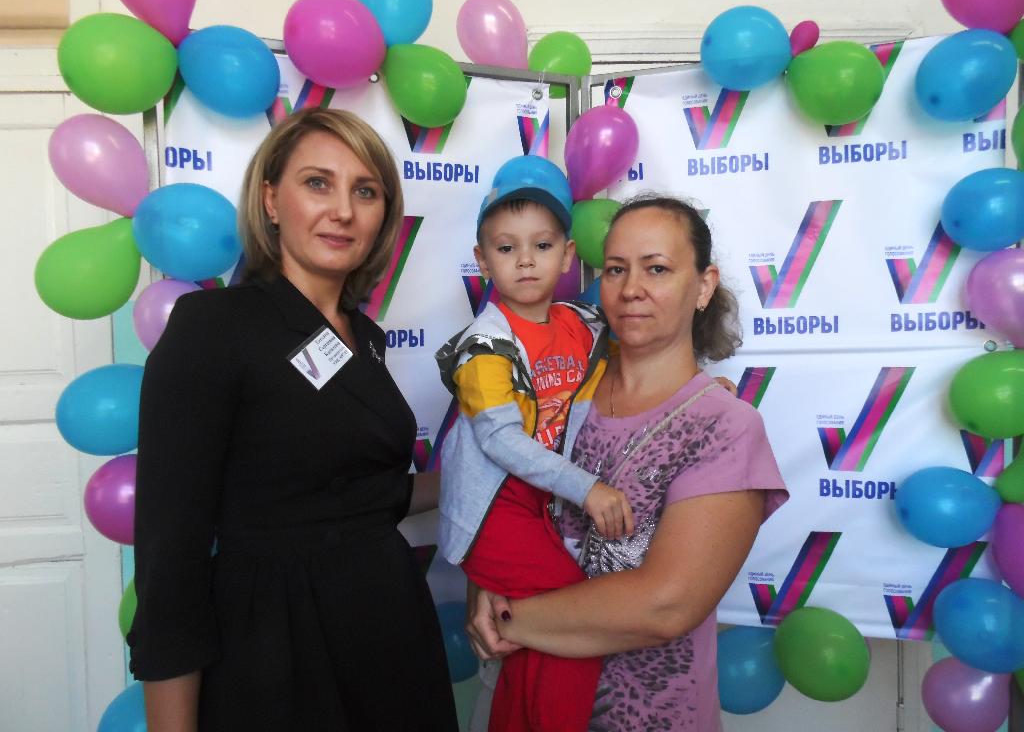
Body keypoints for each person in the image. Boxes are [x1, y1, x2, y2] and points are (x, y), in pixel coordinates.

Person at [128, 108, 459, 731]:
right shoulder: (214, 327)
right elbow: (172, 558)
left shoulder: (364, 337)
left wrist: (486, 472)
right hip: (277, 642)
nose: (343, 211)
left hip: (390, 629)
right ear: (271, 200)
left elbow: (358, 495)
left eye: (366, 192)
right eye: (317, 183)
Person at [467, 195, 789, 732]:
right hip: (518, 693)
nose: (631, 288)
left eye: (656, 268)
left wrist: (506, 619)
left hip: (646, 716)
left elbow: (664, 605)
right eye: (616, 269)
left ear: (703, 286)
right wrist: (484, 584)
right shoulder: (560, 391)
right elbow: (492, 493)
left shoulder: (725, 425)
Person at [434, 155, 635, 732]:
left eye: (542, 245)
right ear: (482, 260)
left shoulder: (581, 326)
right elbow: (500, 439)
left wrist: (700, 388)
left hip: (543, 506)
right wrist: (587, 488)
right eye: (506, 248)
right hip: (496, 509)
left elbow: (645, 358)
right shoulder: (483, 345)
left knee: (530, 639)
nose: (525, 259)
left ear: (568, 255)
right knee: (577, 616)